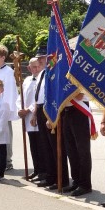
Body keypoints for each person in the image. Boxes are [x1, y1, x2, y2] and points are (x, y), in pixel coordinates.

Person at [0, 45, 19, 171]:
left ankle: (7, 161)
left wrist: (7, 110)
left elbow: (11, 92)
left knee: (5, 136)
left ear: (2, 57)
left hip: (4, 109)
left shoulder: (8, 72)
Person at [31, 49, 58, 188]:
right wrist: (35, 114)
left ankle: (59, 178)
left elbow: (53, 95)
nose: (40, 60)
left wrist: (50, 115)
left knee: (54, 147)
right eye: (39, 58)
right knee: (45, 146)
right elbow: (38, 97)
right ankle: (49, 176)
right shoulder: (42, 74)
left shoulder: (53, 72)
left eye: (42, 57)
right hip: (41, 109)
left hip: (49, 110)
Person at [61, 91, 95, 197]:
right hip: (67, 111)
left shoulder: (78, 78)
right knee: (71, 151)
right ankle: (76, 181)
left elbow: (79, 96)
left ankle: (85, 185)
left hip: (80, 110)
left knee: (82, 151)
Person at [19, 56, 43, 180]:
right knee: (33, 145)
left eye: (38, 66)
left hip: (37, 115)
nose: (36, 69)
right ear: (29, 68)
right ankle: (36, 169)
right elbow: (21, 97)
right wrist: (20, 109)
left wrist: (29, 109)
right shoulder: (27, 80)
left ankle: (43, 171)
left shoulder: (43, 80)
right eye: (33, 67)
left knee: (41, 146)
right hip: (27, 118)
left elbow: (40, 98)